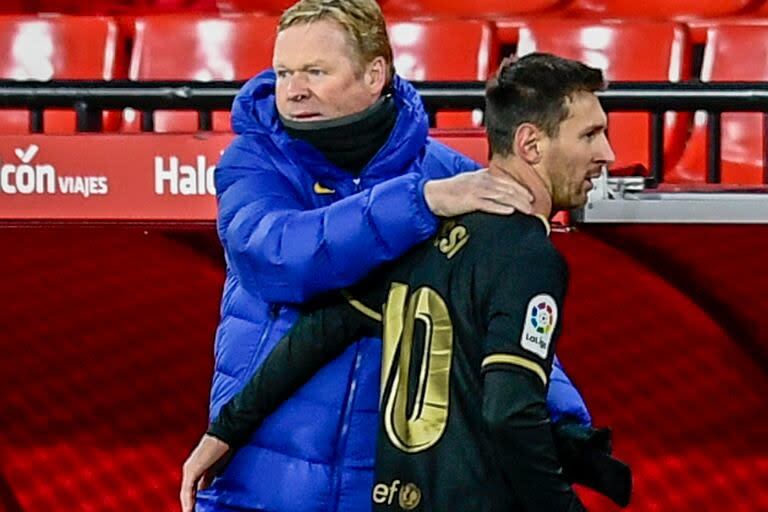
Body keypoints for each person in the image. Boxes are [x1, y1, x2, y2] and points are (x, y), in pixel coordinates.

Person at [183, 53, 632, 512]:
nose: (608, 155)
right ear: (531, 144)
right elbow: (510, 414)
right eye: (591, 134)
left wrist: (225, 430)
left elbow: (322, 330)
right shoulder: (529, 258)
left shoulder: (424, 231)